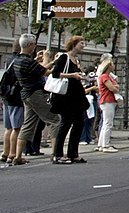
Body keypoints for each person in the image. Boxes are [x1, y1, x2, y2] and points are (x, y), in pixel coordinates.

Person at [13, 34, 60, 166]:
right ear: (30, 46)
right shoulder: (28, 62)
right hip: (35, 94)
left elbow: (37, 68)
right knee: (55, 120)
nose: (34, 47)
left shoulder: (19, 60)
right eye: (33, 44)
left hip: (26, 94)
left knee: (28, 124)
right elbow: (44, 71)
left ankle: (18, 156)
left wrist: (39, 60)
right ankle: (56, 154)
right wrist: (48, 60)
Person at [50, 36, 91, 164]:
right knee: (66, 123)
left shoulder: (75, 60)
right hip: (66, 97)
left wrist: (83, 78)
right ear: (74, 44)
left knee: (79, 122)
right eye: (81, 43)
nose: (83, 45)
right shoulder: (64, 57)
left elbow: (76, 76)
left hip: (77, 96)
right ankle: (57, 154)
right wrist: (72, 75)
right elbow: (55, 73)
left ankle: (73, 153)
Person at [1, 41, 24, 165]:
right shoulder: (19, 61)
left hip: (6, 96)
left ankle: (5, 152)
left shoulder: (9, 59)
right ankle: (12, 154)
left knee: (8, 127)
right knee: (16, 128)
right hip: (16, 97)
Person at [95, 56, 120, 153]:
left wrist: (115, 86)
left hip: (109, 101)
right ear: (109, 66)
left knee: (106, 122)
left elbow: (115, 85)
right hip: (107, 100)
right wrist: (115, 87)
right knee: (108, 123)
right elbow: (112, 88)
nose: (113, 65)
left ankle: (101, 144)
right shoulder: (104, 76)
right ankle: (105, 145)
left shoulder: (108, 76)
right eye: (112, 64)